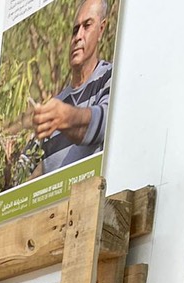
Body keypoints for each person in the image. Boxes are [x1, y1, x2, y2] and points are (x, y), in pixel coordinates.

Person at [33, 0, 113, 175]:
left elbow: (107, 123)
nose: (78, 37)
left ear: (101, 29)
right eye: (75, 30)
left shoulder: (111, 77)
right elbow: (30, 169)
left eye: (87, 26)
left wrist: (67, 118)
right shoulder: (55, 104)